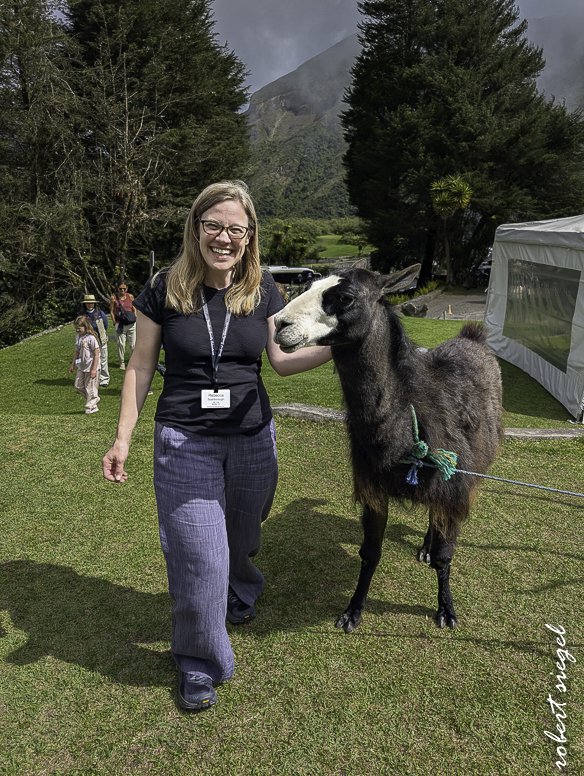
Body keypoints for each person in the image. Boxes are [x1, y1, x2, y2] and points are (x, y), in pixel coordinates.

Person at [102, 180, 331, 712]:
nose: (224, 238)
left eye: (236, 229)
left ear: (250, 236)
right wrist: (122, 440)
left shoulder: (263, 288)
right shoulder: (164, 288)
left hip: (253, 438)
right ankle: (199, 661)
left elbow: (280, 361)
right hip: (185, 440)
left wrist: (338, 349)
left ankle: (240, 584)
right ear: (196, 228)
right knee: (199, 554)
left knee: (242, 531)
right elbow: (140, 366)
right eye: (214, 226)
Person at [69, 316, 101, 414]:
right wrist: (73, 364)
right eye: (76, 328)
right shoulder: (78, 337)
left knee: (89, 387)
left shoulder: (91, 338)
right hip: (81, 366)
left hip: (91, 366)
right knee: (78, 385)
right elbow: (77, 352)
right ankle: (94, 399)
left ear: (85, 326)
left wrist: (94, 369)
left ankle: (90, 407)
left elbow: (96, 353)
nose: (78, 330)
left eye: (79, 328)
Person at [78, 294, 110, 387]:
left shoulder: (100, 314)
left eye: (92, 303)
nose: (90, 305)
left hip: (101, 341)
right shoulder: (81, 315)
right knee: (88, 361)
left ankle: (104, 380)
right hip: (87, 343)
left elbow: (106, 325)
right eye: (88, 303)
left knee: (103, 360)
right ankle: (90, 379)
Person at [110, 282, 136, 370]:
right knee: (121, 344)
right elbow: (112, 311)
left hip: (131, 324)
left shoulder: (130, 296)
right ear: (118, 289)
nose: (122, 290)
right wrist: (114, 322)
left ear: (127, 289)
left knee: (133, 344)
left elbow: (134, 308)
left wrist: (135, 317)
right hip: (120, 323)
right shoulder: (114, 298)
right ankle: (122, 362)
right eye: (120, 288)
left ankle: (132, 362)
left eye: (124, 288)